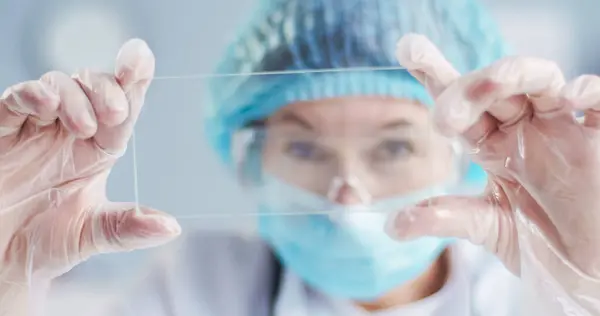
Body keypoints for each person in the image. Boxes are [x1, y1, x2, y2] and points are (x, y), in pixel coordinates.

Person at [2, 0, 600, 315]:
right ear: (251, 156)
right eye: (305, 146)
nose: (347, 193)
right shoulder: (198, 290)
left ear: (467, 153)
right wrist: (7, 279)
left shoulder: (539, 294)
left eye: (394, 145)